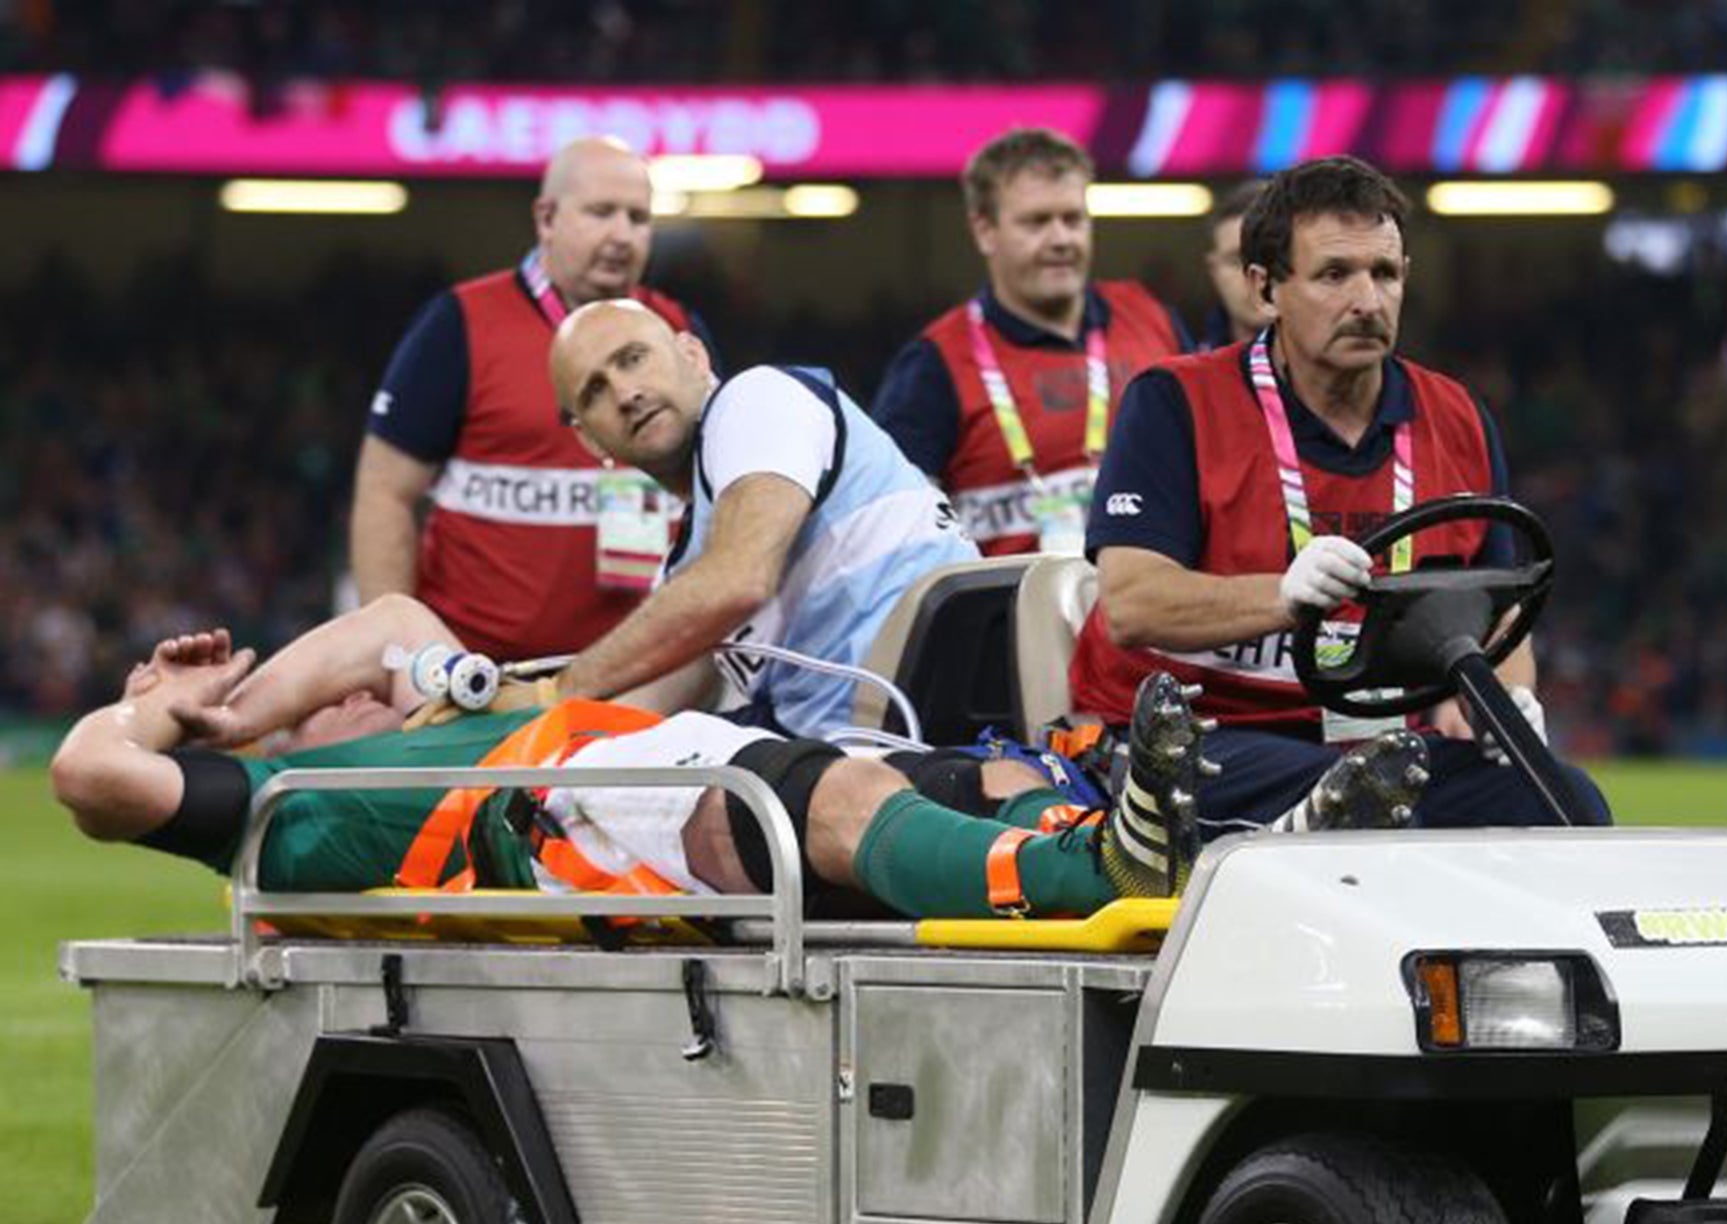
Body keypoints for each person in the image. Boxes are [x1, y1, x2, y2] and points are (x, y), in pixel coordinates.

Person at [48, 604, 1258, 921]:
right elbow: (87, 779)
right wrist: (186, 714)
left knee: (973, 777)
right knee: (831, 805)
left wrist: (245, 697)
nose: (353, 692)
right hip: (567, 820)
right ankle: (1091, 875)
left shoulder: (389, 724)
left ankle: (1191, 863)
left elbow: (394, 624)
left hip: (620, 767)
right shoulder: (271, 806)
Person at [1068, 156, 1609, 830]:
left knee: (1564, 799)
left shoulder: (1457, 417)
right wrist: (1283, 597)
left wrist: (1505, 698)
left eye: (1384, 273)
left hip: (1374, 746)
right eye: (1334, 274)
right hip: (1193, 744)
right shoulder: (1174, 402)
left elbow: (1500, 605)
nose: (1367, 301)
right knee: (1371, 799)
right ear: (1265, 289)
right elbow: (1130, 602)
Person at [443, 298, 979, 741]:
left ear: (694, 356)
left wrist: (556, 691)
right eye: (595, 391)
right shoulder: (685, 577)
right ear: (587, 438)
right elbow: (633, 710)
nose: (626, 394)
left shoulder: (758, 399)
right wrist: (508, 724)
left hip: (921, 727)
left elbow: (737, 582)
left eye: (633, 358)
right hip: (849, 747)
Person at [349, 136, 717, 661]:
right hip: (471, 680)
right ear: (546, 217)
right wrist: (394, 659)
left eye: (638, 218)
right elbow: (386, 492)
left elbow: (718, 497)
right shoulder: (459, 324)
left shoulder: (677, 330)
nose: (621, 235)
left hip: (633, 683)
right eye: (600, 212)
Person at [872, 128, 1190, 556]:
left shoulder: (1152, 319)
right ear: (985, 231)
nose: (1061, 239)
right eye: (1037, 222)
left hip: (1153, 606)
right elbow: (897, 529)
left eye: (1073, 218)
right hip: (1007, 615)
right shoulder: (935, 362)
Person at [1198, 179, 1271, 351]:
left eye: (1268, 255)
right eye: (1236, 260)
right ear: (1213, 271)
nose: (1255, 275)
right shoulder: (1181, 371)